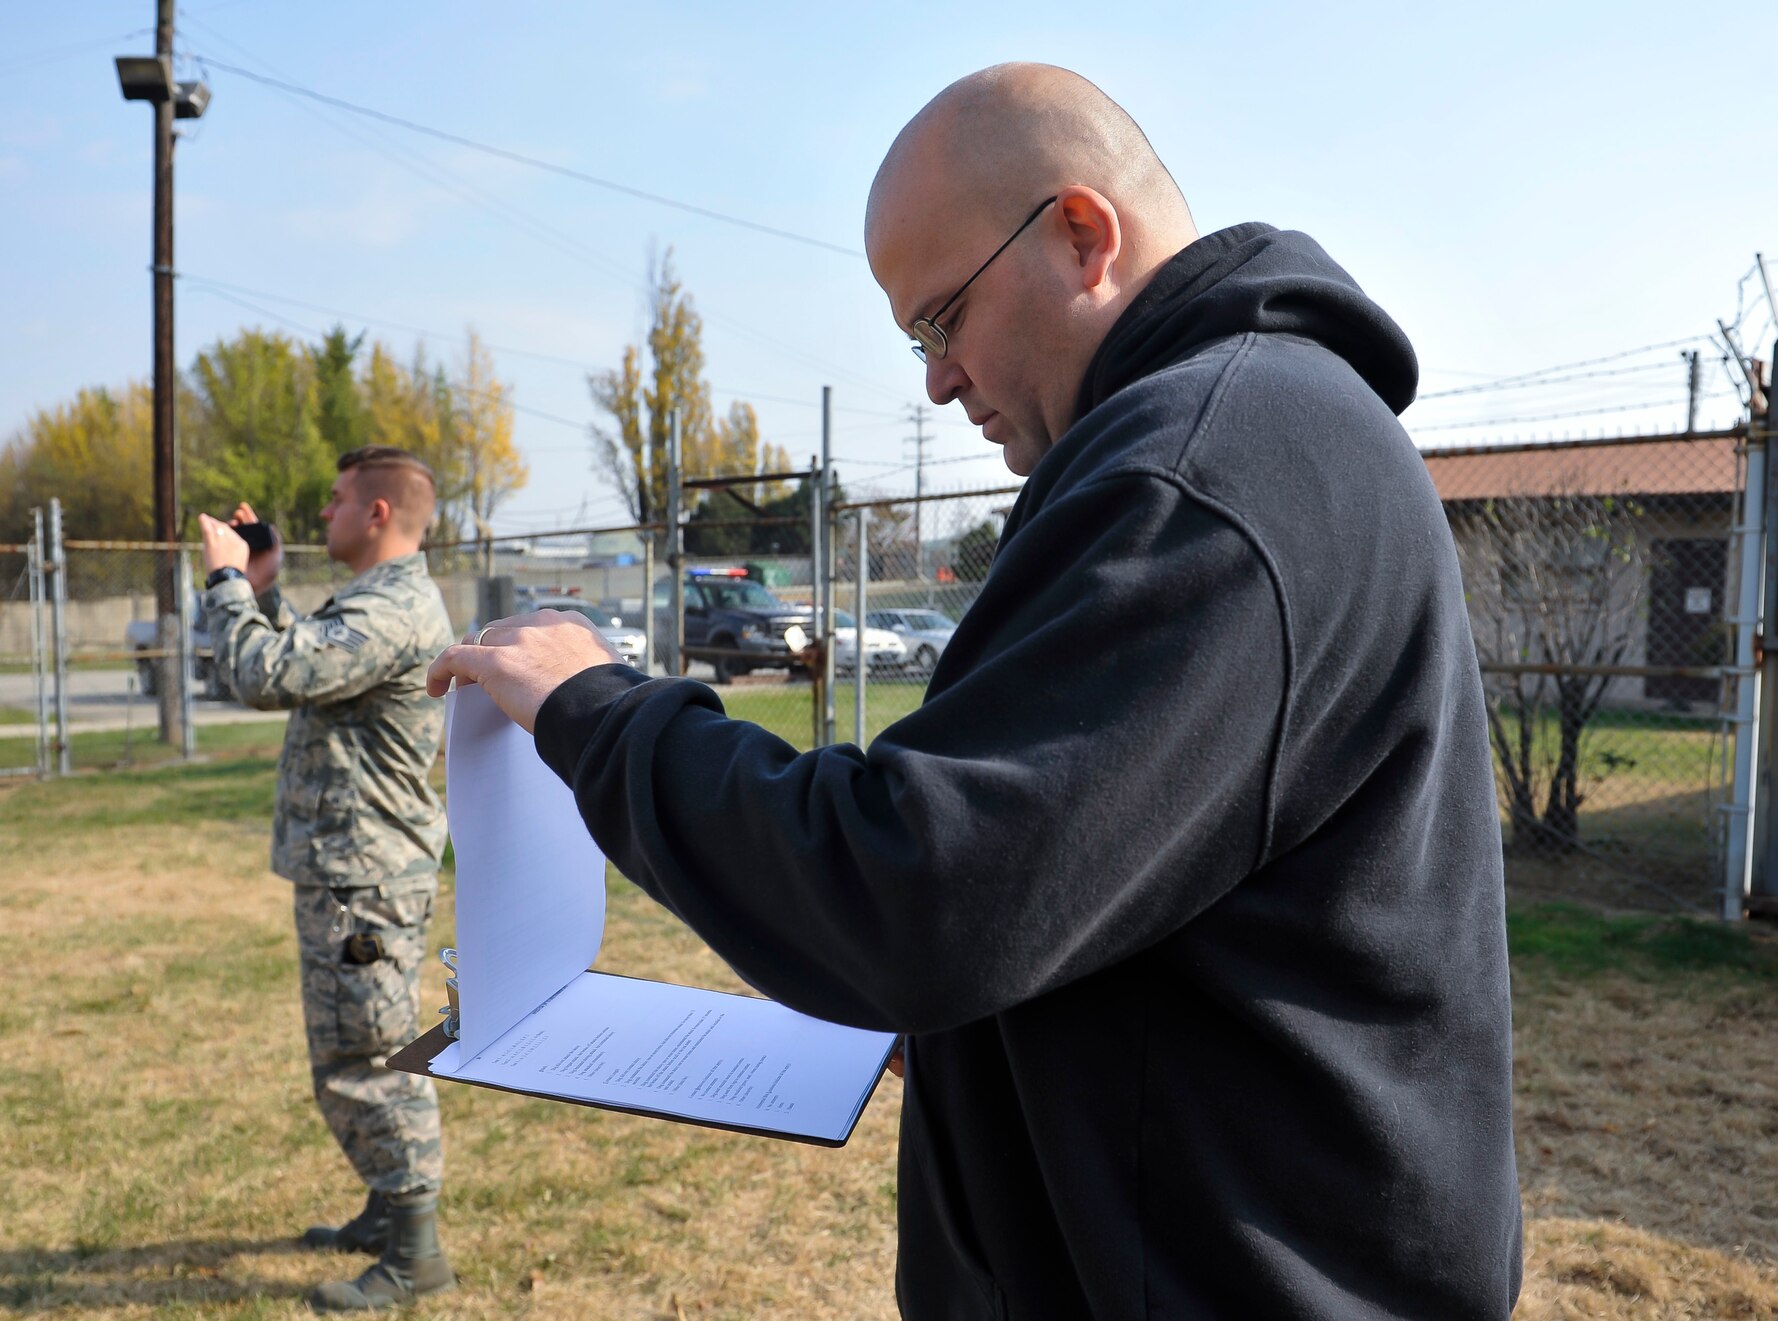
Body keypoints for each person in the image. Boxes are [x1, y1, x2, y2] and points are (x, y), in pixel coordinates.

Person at [428, 63, 1522, 1320]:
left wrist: (600, 710)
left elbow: (921, 890)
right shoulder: (1234, 436)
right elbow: (1066, 871)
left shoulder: (1198, 476)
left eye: (942, 317)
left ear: (1079, 234)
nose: (938, 380)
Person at [197, 445, 457, 1313]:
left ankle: (416, 1254)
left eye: (338, 499)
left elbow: (265, 671)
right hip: (354, 869)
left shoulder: (392, 610)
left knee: (370, 1058)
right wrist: (265, 587)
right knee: (359, 1044)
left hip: (366, 877)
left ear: (378, 513)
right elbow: (305, 653)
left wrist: (227, 582)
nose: (324, 514)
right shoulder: (376, 604)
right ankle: (389, 1213)